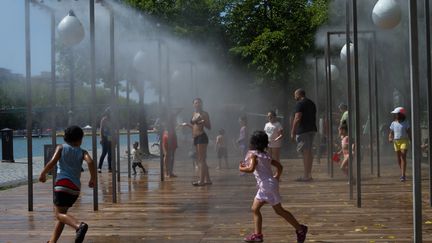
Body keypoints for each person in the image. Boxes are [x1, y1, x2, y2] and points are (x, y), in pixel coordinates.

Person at [239, 131, 308, 243]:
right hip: (269, 184)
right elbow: (280, 166)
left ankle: (300, 229)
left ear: (253, 143)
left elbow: (251, 169)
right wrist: (276, 177)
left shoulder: (253, 155)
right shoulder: (265, 155)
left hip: (266, 186)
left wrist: (241, 168)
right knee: (260, 209)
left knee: (275, 210)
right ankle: (258, 235)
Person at [38, 126, 96, 243]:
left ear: (65, 138)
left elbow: (52, 162)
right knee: (63, 215)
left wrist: (43, 173)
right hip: (74, 188)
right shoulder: (82, 151)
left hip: (62, 185)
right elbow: (90, 161)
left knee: (59, 214)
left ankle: (79, 226)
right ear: (80, 139)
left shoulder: (61, 148)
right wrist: (92, 179)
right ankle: (52, 241)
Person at [182, 98, 212, 186]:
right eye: (195, 103)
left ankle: (201, 181)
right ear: (193, 105)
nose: (197, 104)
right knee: (202, 159)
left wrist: (203, 121)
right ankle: (208, 180)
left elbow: (209, 127)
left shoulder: (204, 113)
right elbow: (195, 127)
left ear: (202, 104)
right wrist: (187, 125)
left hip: (202, 137)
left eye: (199, 103)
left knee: (201, 160)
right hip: (196, 138)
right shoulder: (194, 114)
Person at [290, 89, 317, 182]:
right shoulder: (312, 103)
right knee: (309, 152)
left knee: (305, 153)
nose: (294, 97)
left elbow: (297, 118)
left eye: (295, 95)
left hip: (303, 131)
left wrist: (292, 132)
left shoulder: (300, 104)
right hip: (312, 129)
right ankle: (308, 174)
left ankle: (306, 175)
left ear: (299, 94)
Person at [388, 107, 411, 182]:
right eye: (395, 114)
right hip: (396, 142)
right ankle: (402, 172)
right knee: (398, 158)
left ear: (401, 114)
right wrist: (390, 138)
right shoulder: (393, 123)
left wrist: (411, 140)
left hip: (404, 141)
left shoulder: (406, 122)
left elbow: (409, 132)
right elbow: (391, 133)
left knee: (403, 156)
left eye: (397, 114)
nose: (396, 115)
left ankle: (403, 175)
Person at [98, 108, 112, 173]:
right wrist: (101, 138)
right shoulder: (104, 119)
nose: (109, 114)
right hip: (104, 137)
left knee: (110, 153)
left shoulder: (112, 120)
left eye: (109, 112)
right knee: (104, 152)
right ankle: (99, 167)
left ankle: (109, 168)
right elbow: (101, 129)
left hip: (110, 137)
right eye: (108, 112)